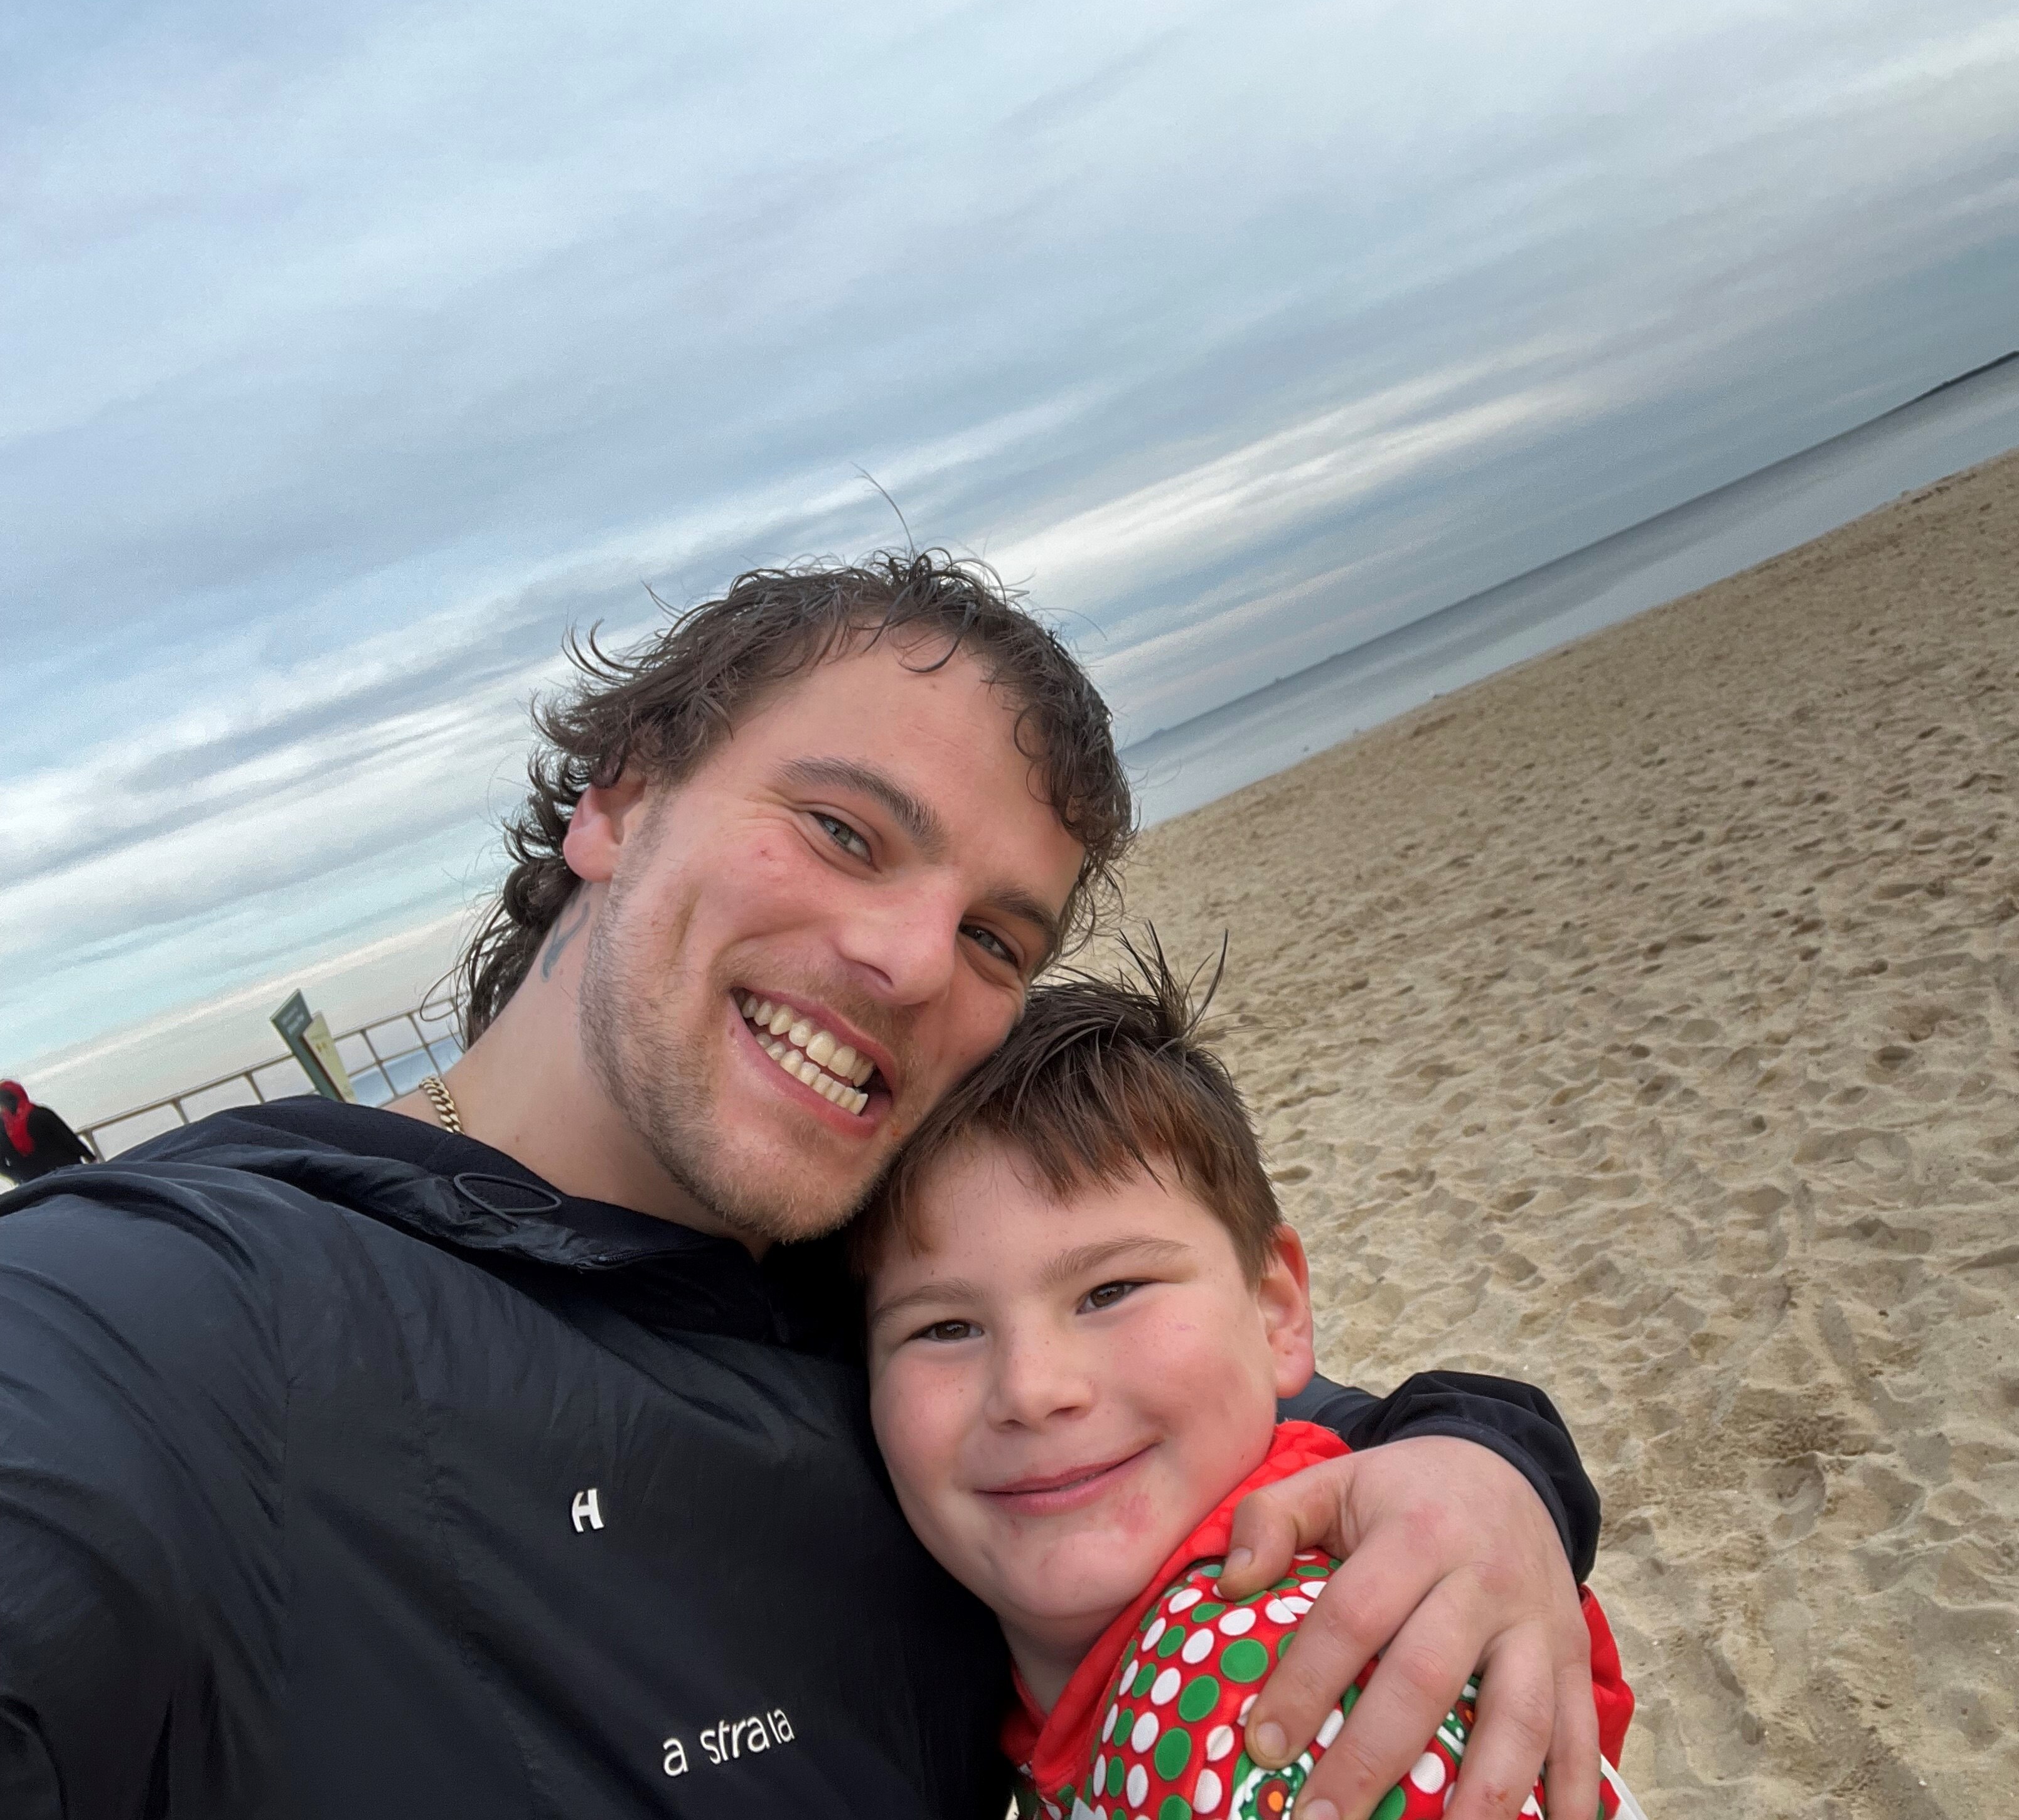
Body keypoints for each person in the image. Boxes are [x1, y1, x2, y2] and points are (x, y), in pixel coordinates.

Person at [0, 555, 1607, 1820]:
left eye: (996, 937)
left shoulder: (880, 1271)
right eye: (842, 830)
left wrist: (1487, 1456)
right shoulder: (181, 1328)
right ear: (616, 801)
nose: (911, 962)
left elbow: (1253, 1411)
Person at [852, 946, 1648, 1820]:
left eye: (1110, 1291)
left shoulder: (1249, 1703)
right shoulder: (1064, 1680)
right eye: (945, 1328)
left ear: (1275, 1311)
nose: (1033, 1388)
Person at [0, 1079, 95, 1186]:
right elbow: (68, 1139)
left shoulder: (2, 1128)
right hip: (67, 1172)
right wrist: (90, 1157)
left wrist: (19, 1177)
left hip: (34, 1184)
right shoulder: (40, 1114)